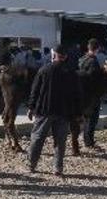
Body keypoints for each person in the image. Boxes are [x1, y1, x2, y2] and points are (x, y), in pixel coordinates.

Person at [26, 44, 82, 176]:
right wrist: (78, 113)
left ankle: (31, 165)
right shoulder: (71, 73)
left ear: (53, 55)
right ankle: (57, 168)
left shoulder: (44, 70)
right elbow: (77, 95)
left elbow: (35, 91)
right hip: (63, 111)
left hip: (44, 110)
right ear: (65, 57)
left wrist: (31, 107)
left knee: (38, 138)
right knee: (60, 141)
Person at [77, 38, 102, 149]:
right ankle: (89, 141)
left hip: (81, 92)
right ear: (98, 48)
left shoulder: (82, 59)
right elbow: (94, 79)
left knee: (86, 118)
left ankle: (86, 139)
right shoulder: (94, 61)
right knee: (92, 119)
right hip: (91, 95)